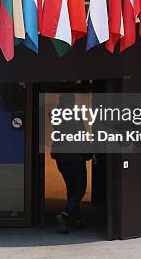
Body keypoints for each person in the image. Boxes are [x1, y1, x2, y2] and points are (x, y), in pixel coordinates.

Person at [50, 93, 92, 234]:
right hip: (75, 157)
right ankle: (64, 215)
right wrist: (90, 152)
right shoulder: (75, 115)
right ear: (72, 102)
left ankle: (76, 219)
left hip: (61, 158)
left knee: (71, 188)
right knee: (80, 188)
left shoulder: (55, 114)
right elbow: (81, 134)